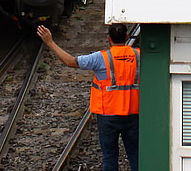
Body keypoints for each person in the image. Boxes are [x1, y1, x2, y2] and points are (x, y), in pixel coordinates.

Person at [37, 23, 139, 171]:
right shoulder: (138, 55)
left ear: (109, 39)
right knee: (136, 156)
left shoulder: (100, 58)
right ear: (127, 37)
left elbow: (70, 61)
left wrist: (50, 42)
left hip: (107, 116)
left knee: (110, 158)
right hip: (132, 114)